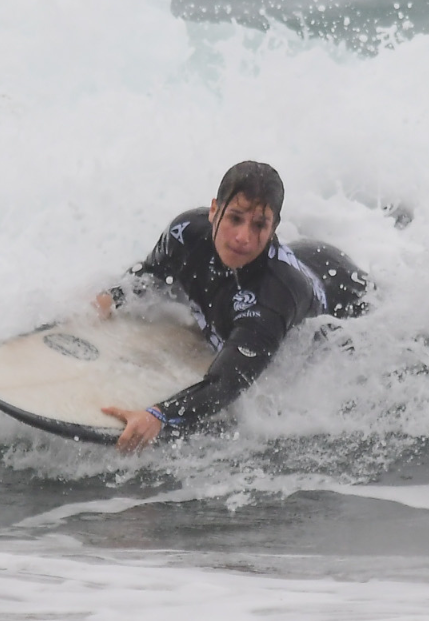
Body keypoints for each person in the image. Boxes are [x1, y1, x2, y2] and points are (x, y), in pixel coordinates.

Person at [97, 161, 370, 453]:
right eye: (235, 218)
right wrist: (111, 297)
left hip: (346, 296)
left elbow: (226, 384)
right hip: (310, 256)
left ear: (274, 227)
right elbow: (151, 276)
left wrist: (158, 415)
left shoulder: (274, 297)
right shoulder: (186, 232)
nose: (243, 238)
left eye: (259, 225)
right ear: (215, 210)